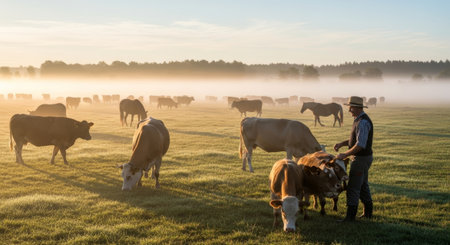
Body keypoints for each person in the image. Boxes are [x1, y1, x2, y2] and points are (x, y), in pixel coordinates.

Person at [334, 96, 373, 222]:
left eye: (351, 107)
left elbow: (360, 145)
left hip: (360, 159)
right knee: (362, 185)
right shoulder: (359, 119)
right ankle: (368, 213)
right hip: (363, 158)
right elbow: (354, 140)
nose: (349, 110)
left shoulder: (362, 122)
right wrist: (342, 143)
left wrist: (344, 154)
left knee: (353, 187)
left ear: (357, 108)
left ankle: (350, 218)